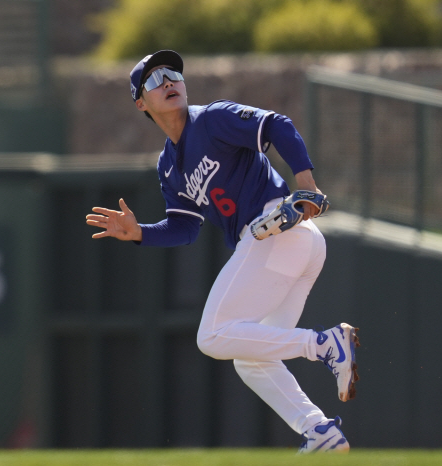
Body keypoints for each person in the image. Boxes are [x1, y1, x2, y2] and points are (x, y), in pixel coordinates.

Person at [85, 50, 359, 453]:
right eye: (156, 77)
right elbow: (184, 228)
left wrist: (308, 185)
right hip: (289, 247)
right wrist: (139, 232)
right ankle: (319, 432)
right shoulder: (168, 166)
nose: (169, 80)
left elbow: (276, 125)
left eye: (173, 72)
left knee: (211, 336)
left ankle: (324, 345)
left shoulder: (211, 119)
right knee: (249, 355)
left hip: (279, 228)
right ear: (141, 102)